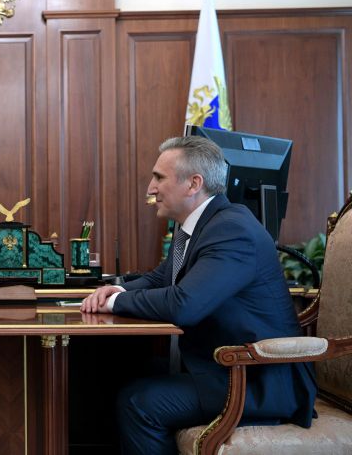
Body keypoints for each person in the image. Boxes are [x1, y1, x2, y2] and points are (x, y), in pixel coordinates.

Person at [81, 136, 316, 454]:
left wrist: (114, 303)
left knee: (138, 402)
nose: (151, 188)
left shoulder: (231, 229)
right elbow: (163, 277)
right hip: (223, 366)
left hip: (258, 379)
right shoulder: (196, 225)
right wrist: (119, 289)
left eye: (159, 178)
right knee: (117, 370)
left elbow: (184, 304)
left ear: (193, 184)